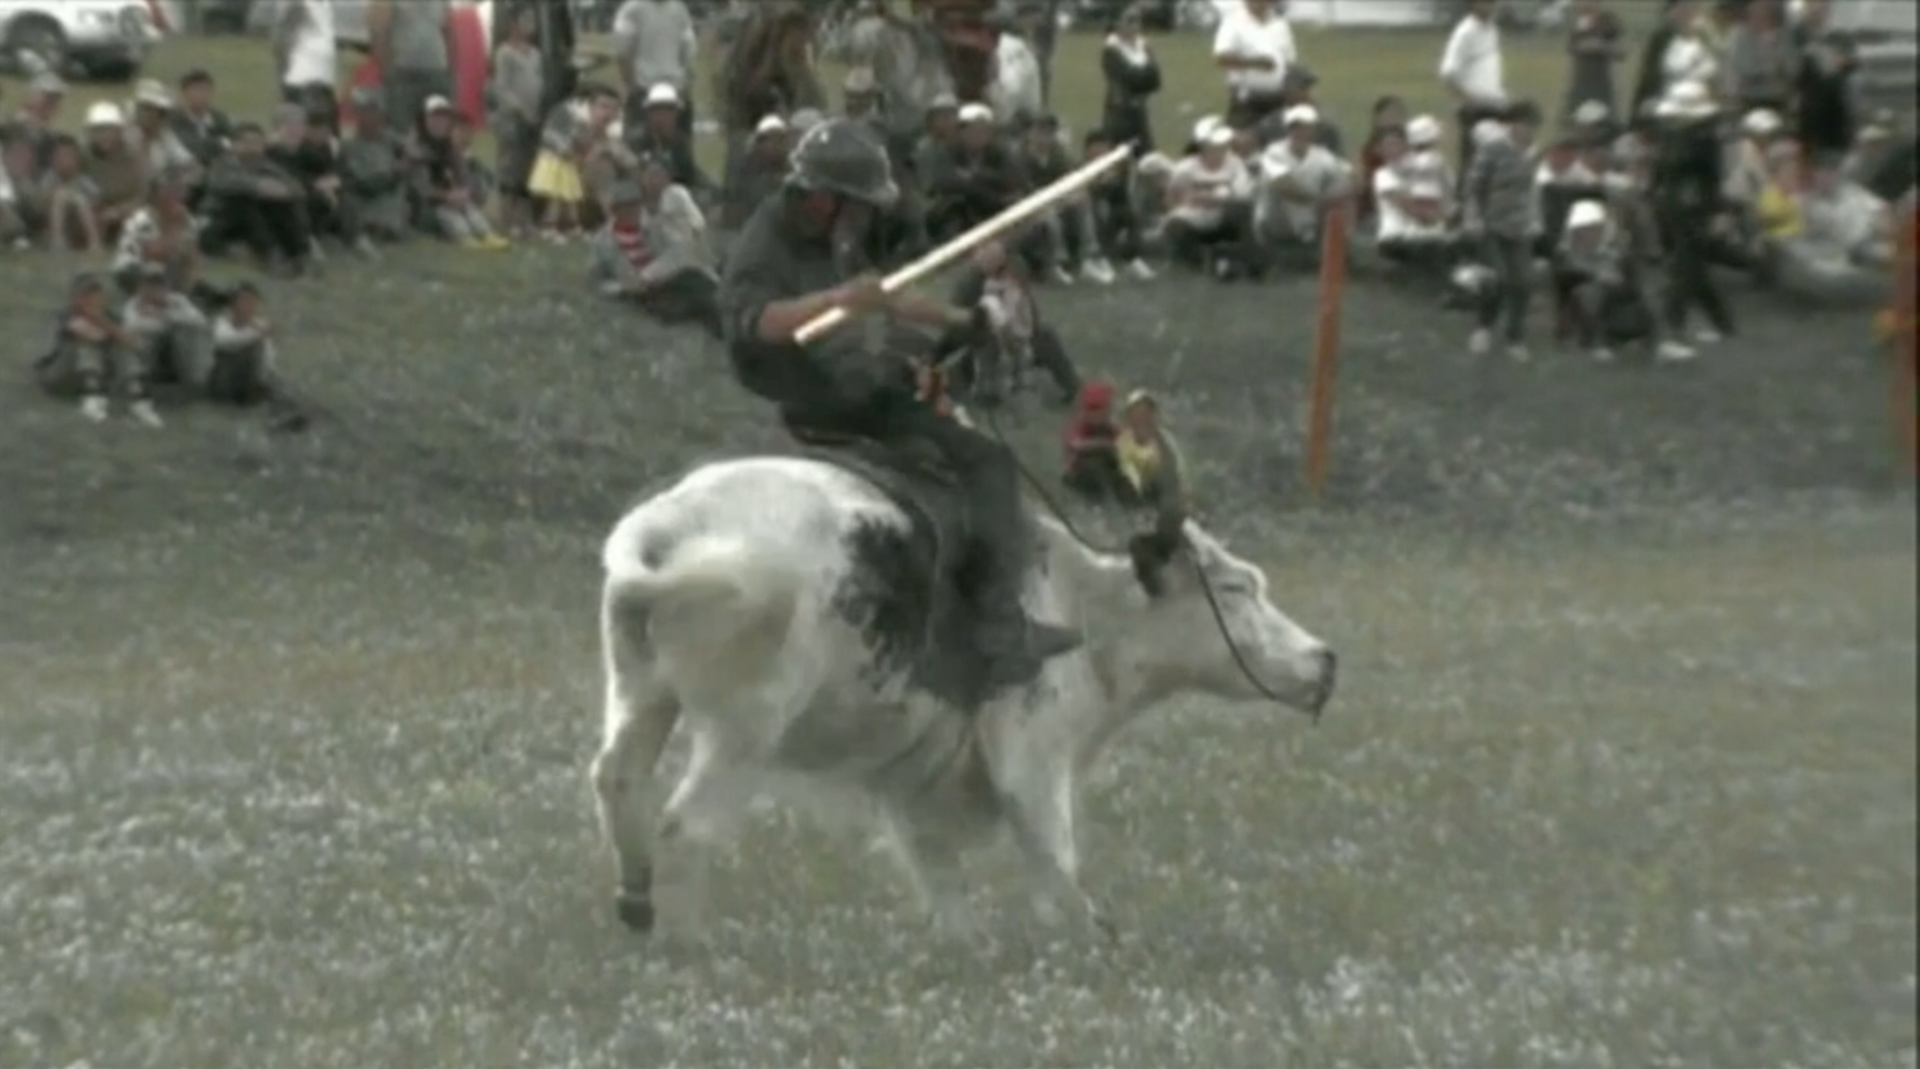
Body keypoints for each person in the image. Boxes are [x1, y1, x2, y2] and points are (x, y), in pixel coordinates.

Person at [718, 118, 1082, 697]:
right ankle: (995, 626)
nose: (865, 217)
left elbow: (886, 296)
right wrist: (836, 300)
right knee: (988, 463)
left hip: (852, 376)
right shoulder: (764, 247)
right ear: (823, 196)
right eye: (858, 205)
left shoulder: (830, 231)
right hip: (827, 399)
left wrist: (965, 321)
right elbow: (755, 323)